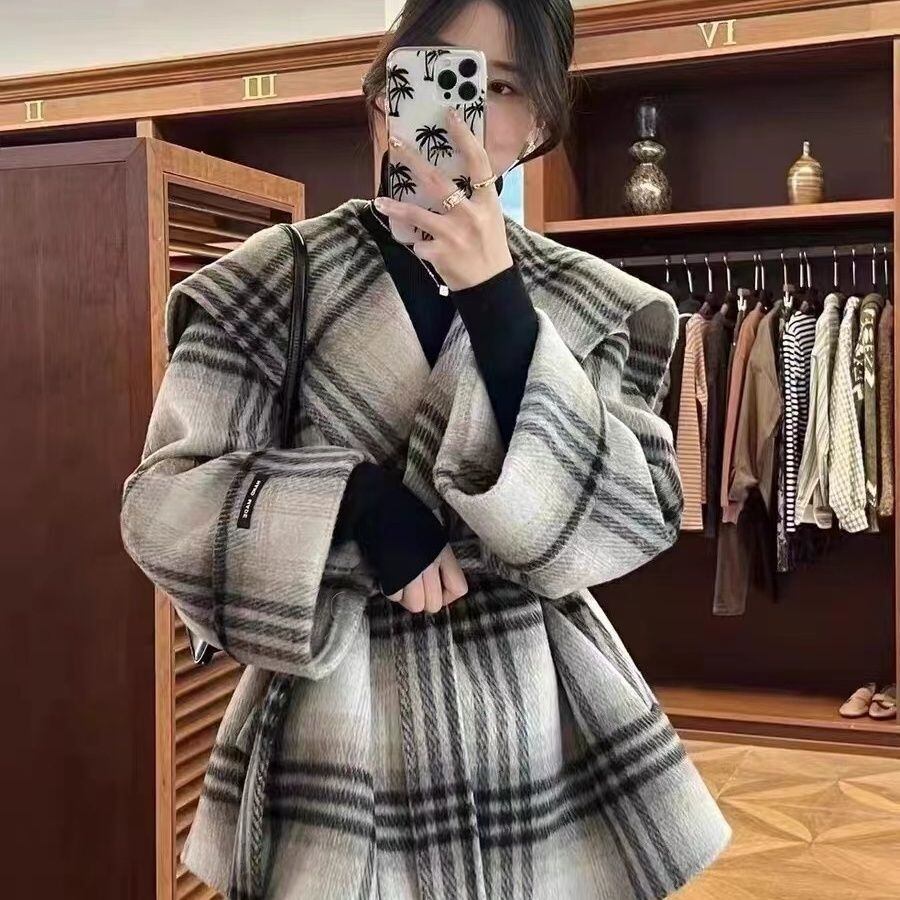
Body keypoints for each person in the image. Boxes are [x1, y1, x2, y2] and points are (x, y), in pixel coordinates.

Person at [119, 0, 732, 897]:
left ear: (538, 125)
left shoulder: (592, 301)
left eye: (501, 86)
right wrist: (350, 503)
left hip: (540, 727)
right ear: (384, 94)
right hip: (337, 733)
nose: (462, 110)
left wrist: (501, 307)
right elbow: (164, 504)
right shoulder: (271, 280)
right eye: (438, 72)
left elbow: (636, 514)